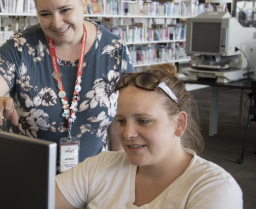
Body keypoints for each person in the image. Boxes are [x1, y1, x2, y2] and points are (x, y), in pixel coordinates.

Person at [0, 0, 134, 168]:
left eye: (65, 10)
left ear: (84, 4)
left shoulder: (114, 49)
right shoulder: (21, 48)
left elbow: (122, 116)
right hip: (29, 176)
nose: (57, 23)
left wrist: (120, 170)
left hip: (93, 178)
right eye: (46, 14)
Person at [55, 64, 243, 209]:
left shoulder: (214, 189)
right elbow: (38, 199)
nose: (127, 133)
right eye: (121, 121)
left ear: (179, 124)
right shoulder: (99, 166)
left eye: (144, 121)